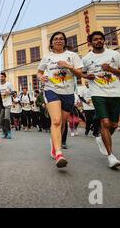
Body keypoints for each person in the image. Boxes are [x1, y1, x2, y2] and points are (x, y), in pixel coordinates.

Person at [37, 31, 83, 169]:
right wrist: (41, 77)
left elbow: (80, 74)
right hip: (51, 90)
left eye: (61, 39)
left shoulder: (72, 56)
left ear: (65, 41)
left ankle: (54, 142)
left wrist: (68, 66)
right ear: (51, 42)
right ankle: (58, 153)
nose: (58, 41)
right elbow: (39, 72)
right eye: (55, 39)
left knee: (62, 123)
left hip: (68, 92)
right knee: (56, 120)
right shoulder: (47, 57)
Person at [82, 31, 120, 169]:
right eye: (95, 39)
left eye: (101, 39)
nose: (99, 41)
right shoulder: (86, 59)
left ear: (104, 41)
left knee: (114, 125)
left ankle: (102, 138)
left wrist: (111, 69)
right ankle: (111, 156)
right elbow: (82, 73)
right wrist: (86, 76)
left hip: (115, 93)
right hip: (98, 93)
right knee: (105, 122)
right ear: (90, 43)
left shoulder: (114, 54)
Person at [0, 72, 13, 139]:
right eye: (0, 77)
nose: (1, 78)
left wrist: (9, 93)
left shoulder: (9, 84)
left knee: (7, 118)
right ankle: (5, 132)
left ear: (5, 77)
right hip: (1, 104)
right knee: (0, 119)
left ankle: (9, 132)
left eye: (2, 77)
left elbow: (14, 92)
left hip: (8, 103)